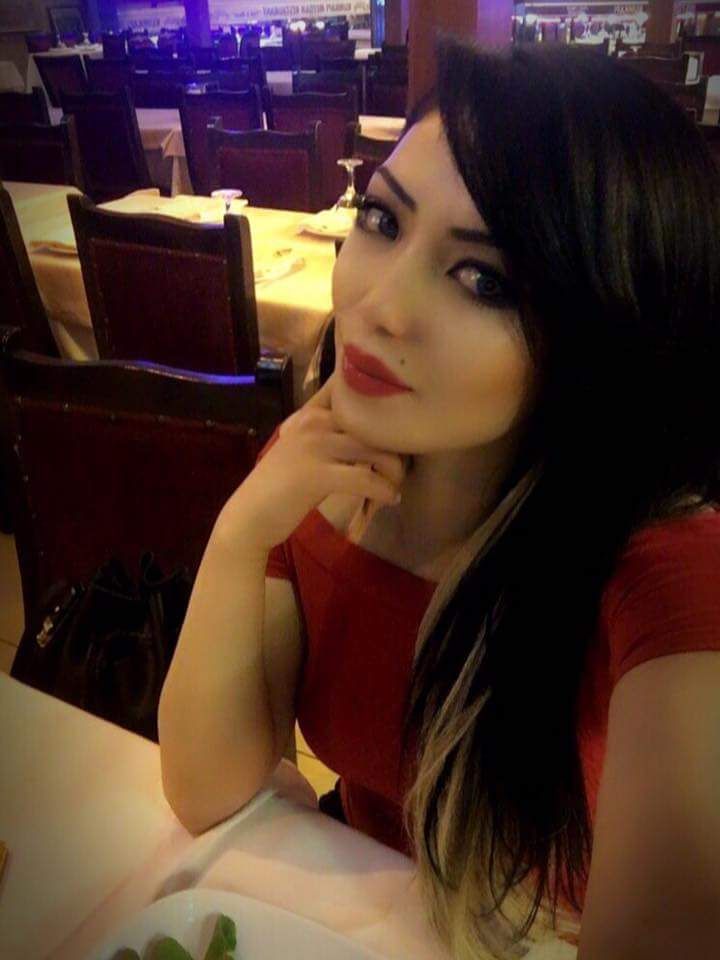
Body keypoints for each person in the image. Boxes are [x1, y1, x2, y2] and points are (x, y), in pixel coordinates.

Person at [158, 37, 720, 960]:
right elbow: (208, 792)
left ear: (601, 336)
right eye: (382, 219)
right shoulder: (322, 470)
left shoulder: (666, 570)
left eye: (483, 279)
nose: (379, 304)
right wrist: (240, 531)